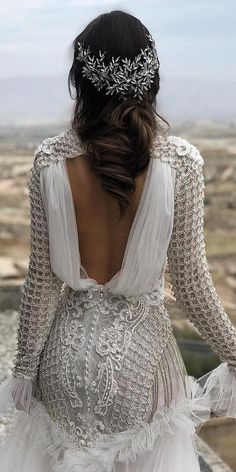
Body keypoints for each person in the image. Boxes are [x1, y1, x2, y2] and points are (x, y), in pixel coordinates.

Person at [0, 10, 235, 472]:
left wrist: (24, 371)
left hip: (62, 367)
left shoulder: (49, 159)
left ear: (80, 81)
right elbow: (191, 285)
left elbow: (41, 283)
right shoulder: (181, 162)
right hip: (142, 373)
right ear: (151, 77)